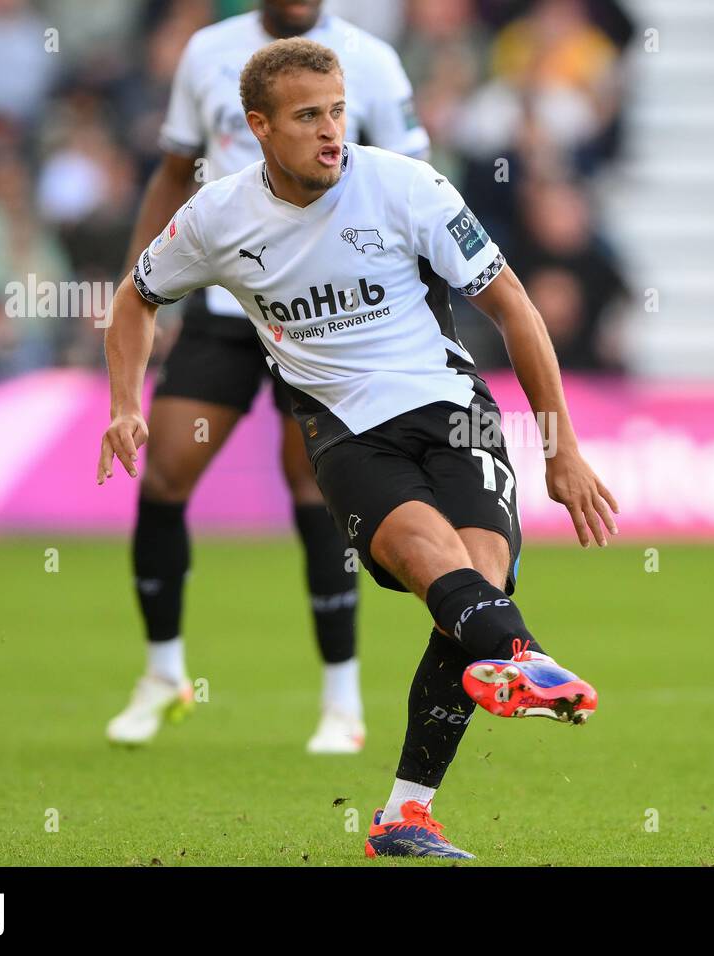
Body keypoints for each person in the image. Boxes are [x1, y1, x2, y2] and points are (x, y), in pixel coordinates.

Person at [99, 38, 617, 858]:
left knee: (475, 588)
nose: (331, 130)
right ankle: (522, 656)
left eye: (338, 111)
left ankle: (408, 813)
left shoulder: (409, 186)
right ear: (259, 127)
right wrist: (127, 403)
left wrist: (560, 449)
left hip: (455, 408)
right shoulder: (218, 218)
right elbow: (135, 298)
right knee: (433, 565)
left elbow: (515, 306)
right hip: (344, 432)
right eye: (308, 117)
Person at [106, 0, 431, 754]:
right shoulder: (206, 53)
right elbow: (173, 171)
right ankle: (162, 674)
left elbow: (416, 180)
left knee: (314, 491)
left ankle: (341, 700)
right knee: (164, 476)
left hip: (322, 312)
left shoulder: (371, 59)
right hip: (227, 304)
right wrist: (143, 281)